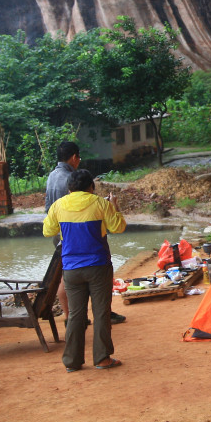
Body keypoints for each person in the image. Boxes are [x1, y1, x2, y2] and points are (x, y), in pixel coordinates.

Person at [43, 169, 127, 372]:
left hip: (71, 269)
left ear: (70, 188)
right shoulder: (101, 204)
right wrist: (114, 208)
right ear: (91, 187)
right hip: (98, 267)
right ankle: (102, 358)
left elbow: (48, 231)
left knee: (75, 315)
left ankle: (72, 362)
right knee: (101, 313)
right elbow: (118, 228)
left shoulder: (58, 205)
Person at [45, 142, 125, 326]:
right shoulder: (71, 177)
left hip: (61, 231)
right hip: (78, 232)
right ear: (74, 157)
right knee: (89, 275)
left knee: (66, 273)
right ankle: (89, 314)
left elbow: (48, 209)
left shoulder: (51, 176)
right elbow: (81, 205)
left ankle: (70, 316)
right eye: (79, 158)